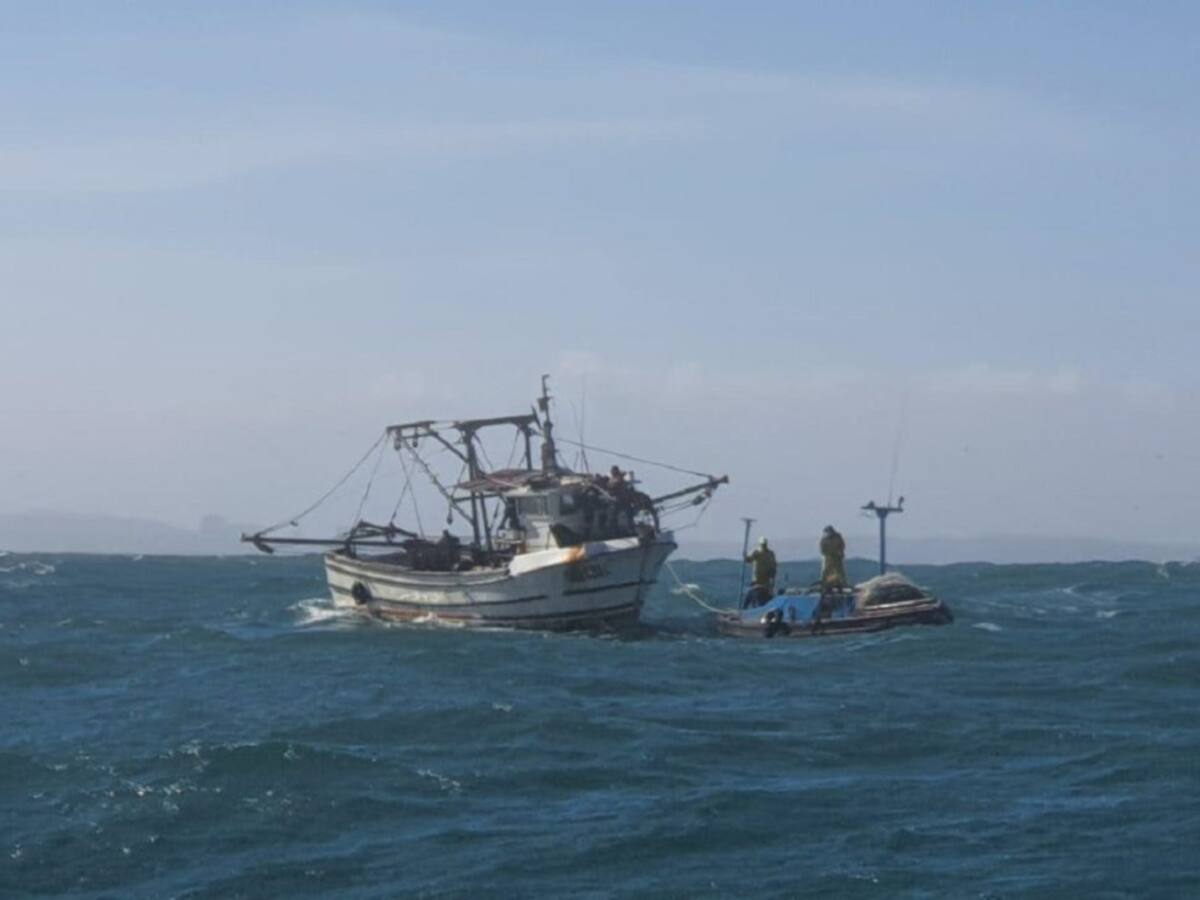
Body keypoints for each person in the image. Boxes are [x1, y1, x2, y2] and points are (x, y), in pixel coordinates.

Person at [743, 536, 778, 608]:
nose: (764, 546)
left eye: (764, 544)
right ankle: (744, 610)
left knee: (766, 598)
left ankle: (766, 610)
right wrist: (745, 556)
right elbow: (748, 560)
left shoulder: (770, 554)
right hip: (756, 580)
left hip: (766, 581)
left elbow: (773, 566)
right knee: (751, 596)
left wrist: (772, 577)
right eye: (762, 544)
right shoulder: (756, 552)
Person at [819, 525, 847, 591]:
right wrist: (827, 554)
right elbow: (822, 549)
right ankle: (823, 584)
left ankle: (843, 584)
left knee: (840, 571)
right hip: (828, 557)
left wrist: (840, 552)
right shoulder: (824, 539)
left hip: (837, 557)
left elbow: (842, 545)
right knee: (825, 571)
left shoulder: (838, 537)